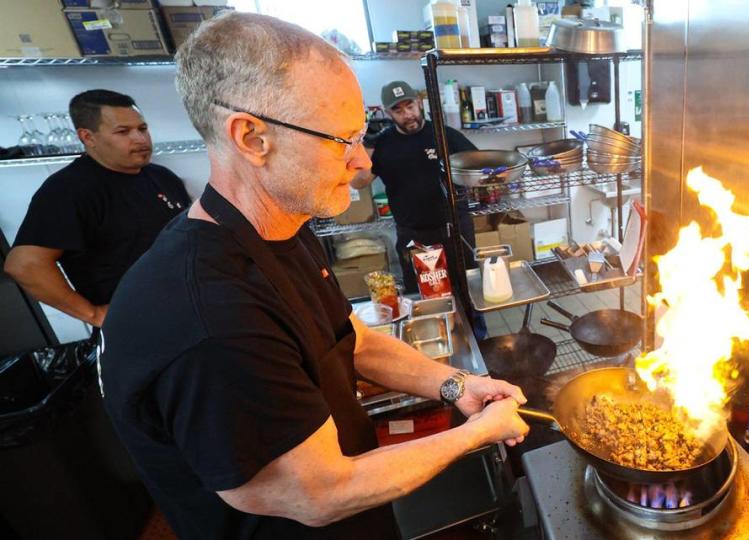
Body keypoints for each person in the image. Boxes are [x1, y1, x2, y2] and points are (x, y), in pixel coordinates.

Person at [99, 12, 529, 540]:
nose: (362, 159)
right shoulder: (211, 318)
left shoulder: (280, 228)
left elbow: (353, 341)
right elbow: (318, 493)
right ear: (252, 138)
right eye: (342, 138)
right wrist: (475, 436)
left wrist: (456, 383)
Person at [5, 90, 189, 329]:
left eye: (142, 129)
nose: (140, 139)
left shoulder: (162, 177)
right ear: (88, 137)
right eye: (123, 132)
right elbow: (25, 264)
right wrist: (93, 314)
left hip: (187, 311)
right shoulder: (69, 189)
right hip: (138, 326)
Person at [351, 81, 478, 296]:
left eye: (410, 106)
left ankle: (476, 330)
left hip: (454, 227)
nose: (407, 114)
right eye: (398, 110)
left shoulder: (444, 134)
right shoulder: (382, 143)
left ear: (419, 104)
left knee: (466, 287)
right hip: (413, 234)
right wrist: (366, 145)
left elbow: (476, 165)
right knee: (424, 293)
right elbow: (358, 182)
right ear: (387, 112)